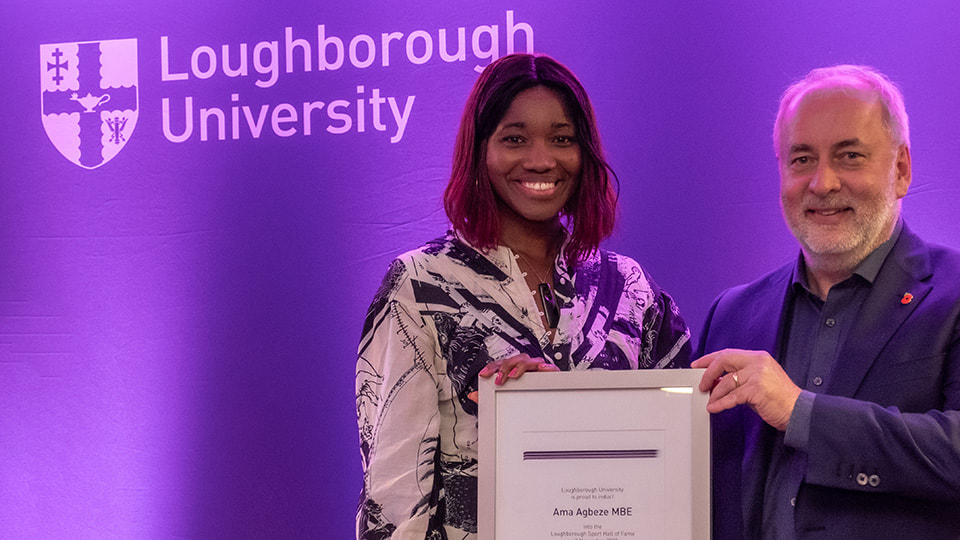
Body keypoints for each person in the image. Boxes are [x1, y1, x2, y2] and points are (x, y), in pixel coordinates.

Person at [355, 53, 692, 539]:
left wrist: (557, 408)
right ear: (480, 151)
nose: (541, 160)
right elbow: (394, 496)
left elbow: (678, 458)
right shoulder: (420, 287)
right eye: (515, 139)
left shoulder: (628, 288)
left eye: (562, 139)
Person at [693, 64, 960, 539]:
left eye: (850, 156)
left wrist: (802, 413)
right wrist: (543, 401)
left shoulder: (953, 293)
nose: (822, 183)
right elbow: (675, 461)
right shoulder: (732, 315)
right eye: (801, 160)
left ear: (900, 169)